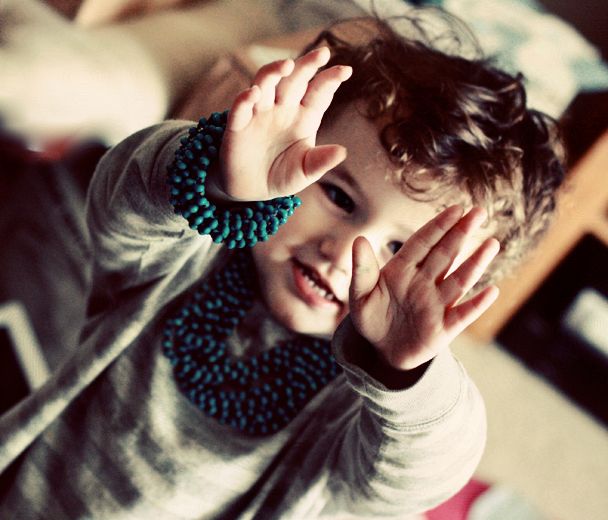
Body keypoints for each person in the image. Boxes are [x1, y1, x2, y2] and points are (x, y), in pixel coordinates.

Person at [0, 15, 565, 519]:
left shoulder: (364, 408)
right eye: (340, 199)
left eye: (399, 251)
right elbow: (120, 205)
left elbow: (414, 484)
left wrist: (406, 377)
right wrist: (217, 177)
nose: (344, 253)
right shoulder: (189, 252)